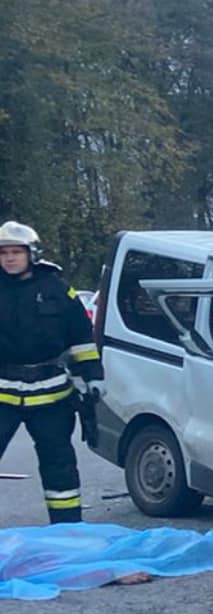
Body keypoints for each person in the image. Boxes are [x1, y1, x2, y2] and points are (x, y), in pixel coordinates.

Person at [0, 221, 101, 524]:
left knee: (59, 463)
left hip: (52, 393)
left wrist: (94, 374)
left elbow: (82, 336)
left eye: (16, 251)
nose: (9, 258)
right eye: (3, 252)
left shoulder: (57, 288)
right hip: (3, 392)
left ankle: (67, 529)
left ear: (32, 254)